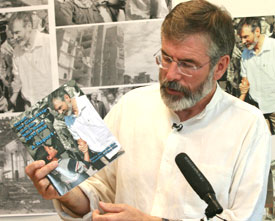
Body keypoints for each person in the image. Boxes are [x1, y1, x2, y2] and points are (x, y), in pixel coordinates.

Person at [25, 0, 271, 220]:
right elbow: (98, 194)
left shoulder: (248, 124)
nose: (171, 75)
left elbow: (243, 218)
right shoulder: (131, 105)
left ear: (220, 67)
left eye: (187, 64)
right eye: (165, 58)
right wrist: (66, 192)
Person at [50, 88, 121, 170]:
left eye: (60, 107)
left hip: (117, 148)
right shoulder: (68, 120)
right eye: (57, 110)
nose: (60, 112)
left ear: (66, 98)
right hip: (100, 156)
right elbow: (80, 141)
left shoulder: (87, 102)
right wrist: (82, 147)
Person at [8, 11, 53, 109]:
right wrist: (13, 99)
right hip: (29, 107)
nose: (15, 37)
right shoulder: (17, 51)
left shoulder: (49, 42)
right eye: (13, 34)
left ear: (28, 26)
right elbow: (17, 79)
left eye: (17, 32)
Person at [238, 17, 275, 135]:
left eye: (245, 37)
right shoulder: (245, 54)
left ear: (257, 32)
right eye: (241, 38)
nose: (243, 41)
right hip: (257, 111)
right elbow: (245, 83)